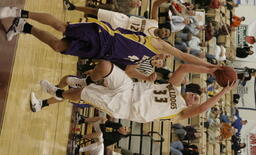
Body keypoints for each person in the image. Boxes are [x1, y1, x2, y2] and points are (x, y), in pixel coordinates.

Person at [0, 6, 217, 81]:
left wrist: (146, 76)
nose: (165, 59)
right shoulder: (157, 44)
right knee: (62, 27)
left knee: (58, 46)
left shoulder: (145, 61)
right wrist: (210, 68)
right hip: (103, 34)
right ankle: (18, 12)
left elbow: (129, 70)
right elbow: (185, 57)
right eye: (168, 57)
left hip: (98, 52)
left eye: (163, 63)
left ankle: (22, 27)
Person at [32, 60, 235, 123]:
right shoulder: (174, 86)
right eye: (194, 94)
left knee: (84, 93)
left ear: (192, 105)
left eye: (196, 99)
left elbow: (202, 109)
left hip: (127, 108)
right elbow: (183, 68)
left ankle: (57, 94)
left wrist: (222, 92)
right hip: (129, 88)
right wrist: (210, 69)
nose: (194, 97)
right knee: (104, 66)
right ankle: (70, 87)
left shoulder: (180, 113)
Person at [62, 0, 171, 38]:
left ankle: (69, 27)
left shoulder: (152, 39)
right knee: (96, 12)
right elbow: (156, 4)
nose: (164, 32)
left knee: (94, 27)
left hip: (120, 31)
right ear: (164, 28)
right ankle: (73, 7)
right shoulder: (154, 22)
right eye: (166, 31)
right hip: (123, 19)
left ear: (163, 37)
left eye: (166, 34)